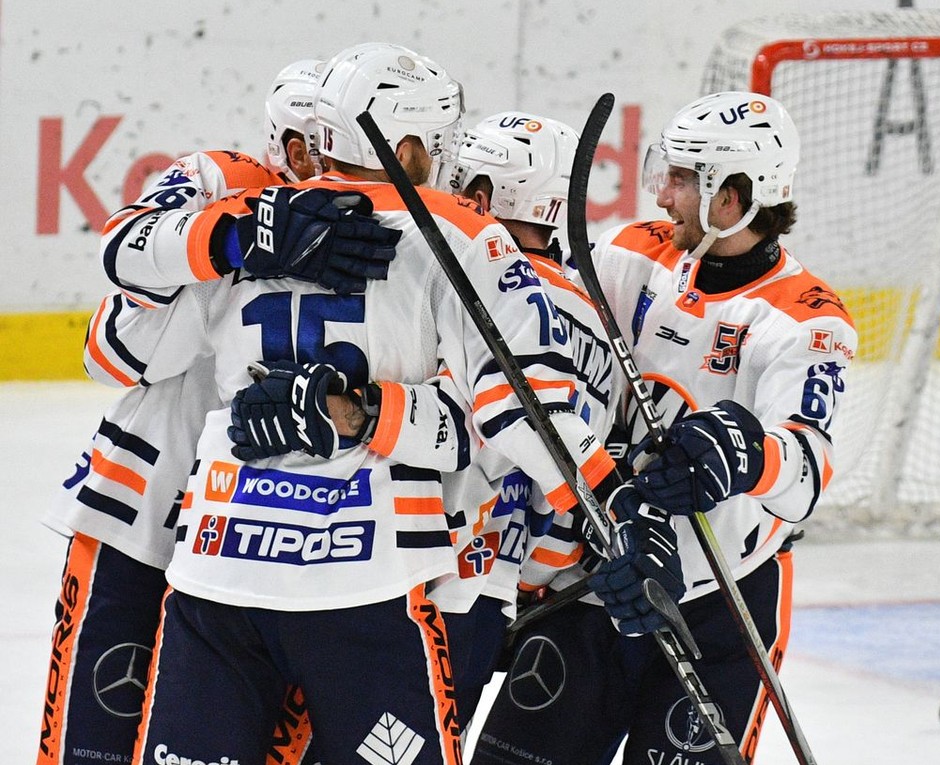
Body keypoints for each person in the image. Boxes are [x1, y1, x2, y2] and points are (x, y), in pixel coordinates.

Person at [108, 42, 626, 764]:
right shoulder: (461, 235)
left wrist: (230, 241)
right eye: (437, 144)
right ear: (409, 144)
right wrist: (608, 500)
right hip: (365, 575)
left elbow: (134, 347)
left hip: (218, 566)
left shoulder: (253, 224)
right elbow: (521, 406)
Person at [472, 91, 856, 765]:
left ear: (731, 197)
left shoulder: (807, 319)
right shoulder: (628, 254)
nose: (661, 193)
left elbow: (803, 477)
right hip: (602, 576)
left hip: (723, 599)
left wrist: (746, 454)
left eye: (680, 179)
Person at [36, 57, 377, 765]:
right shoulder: (224, 183)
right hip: (146, 526)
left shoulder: (386, 230)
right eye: (326, 139)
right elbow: (112, 349)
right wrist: (241, 237)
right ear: (292, 148)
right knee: (92, 746)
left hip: (281, 547)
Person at [430, 111, 620, 727]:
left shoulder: (460, 286)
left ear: (482, 198)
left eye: (461, 184)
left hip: (411, 570)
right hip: (496, 589)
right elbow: (572, 477)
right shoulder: (599, 322)